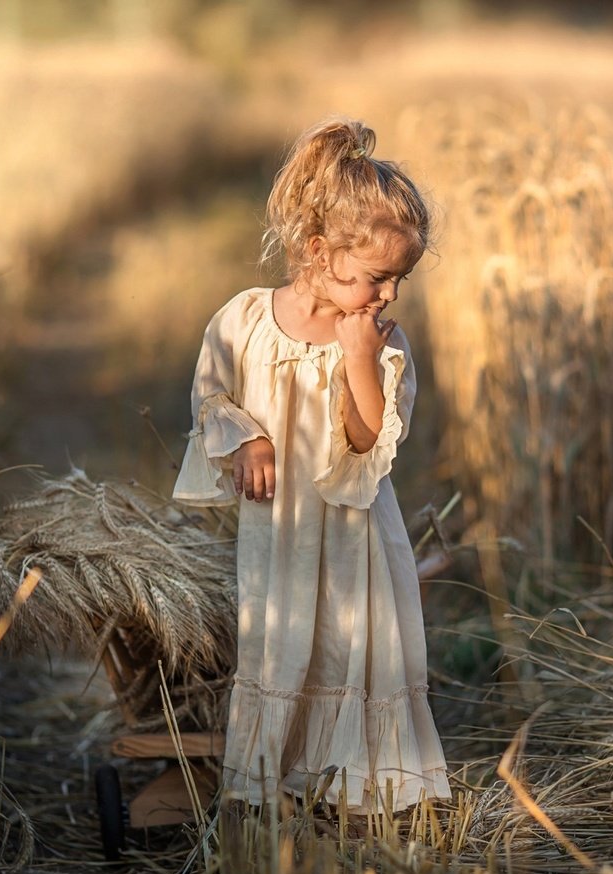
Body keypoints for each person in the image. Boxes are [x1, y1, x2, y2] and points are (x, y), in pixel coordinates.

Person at [172, 116, 450, 814]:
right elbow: (211, 395)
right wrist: (245, 439)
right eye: (375, 278)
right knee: (283, 639)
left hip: (355, 535)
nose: (387, 296)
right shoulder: (243, 321)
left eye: (399, 281)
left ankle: (359, 791)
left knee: (351, 645)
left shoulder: (384, 347)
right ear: (320, 252)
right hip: (278, 531)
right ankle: (275, 781)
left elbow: (366, 441)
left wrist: (358, 359)